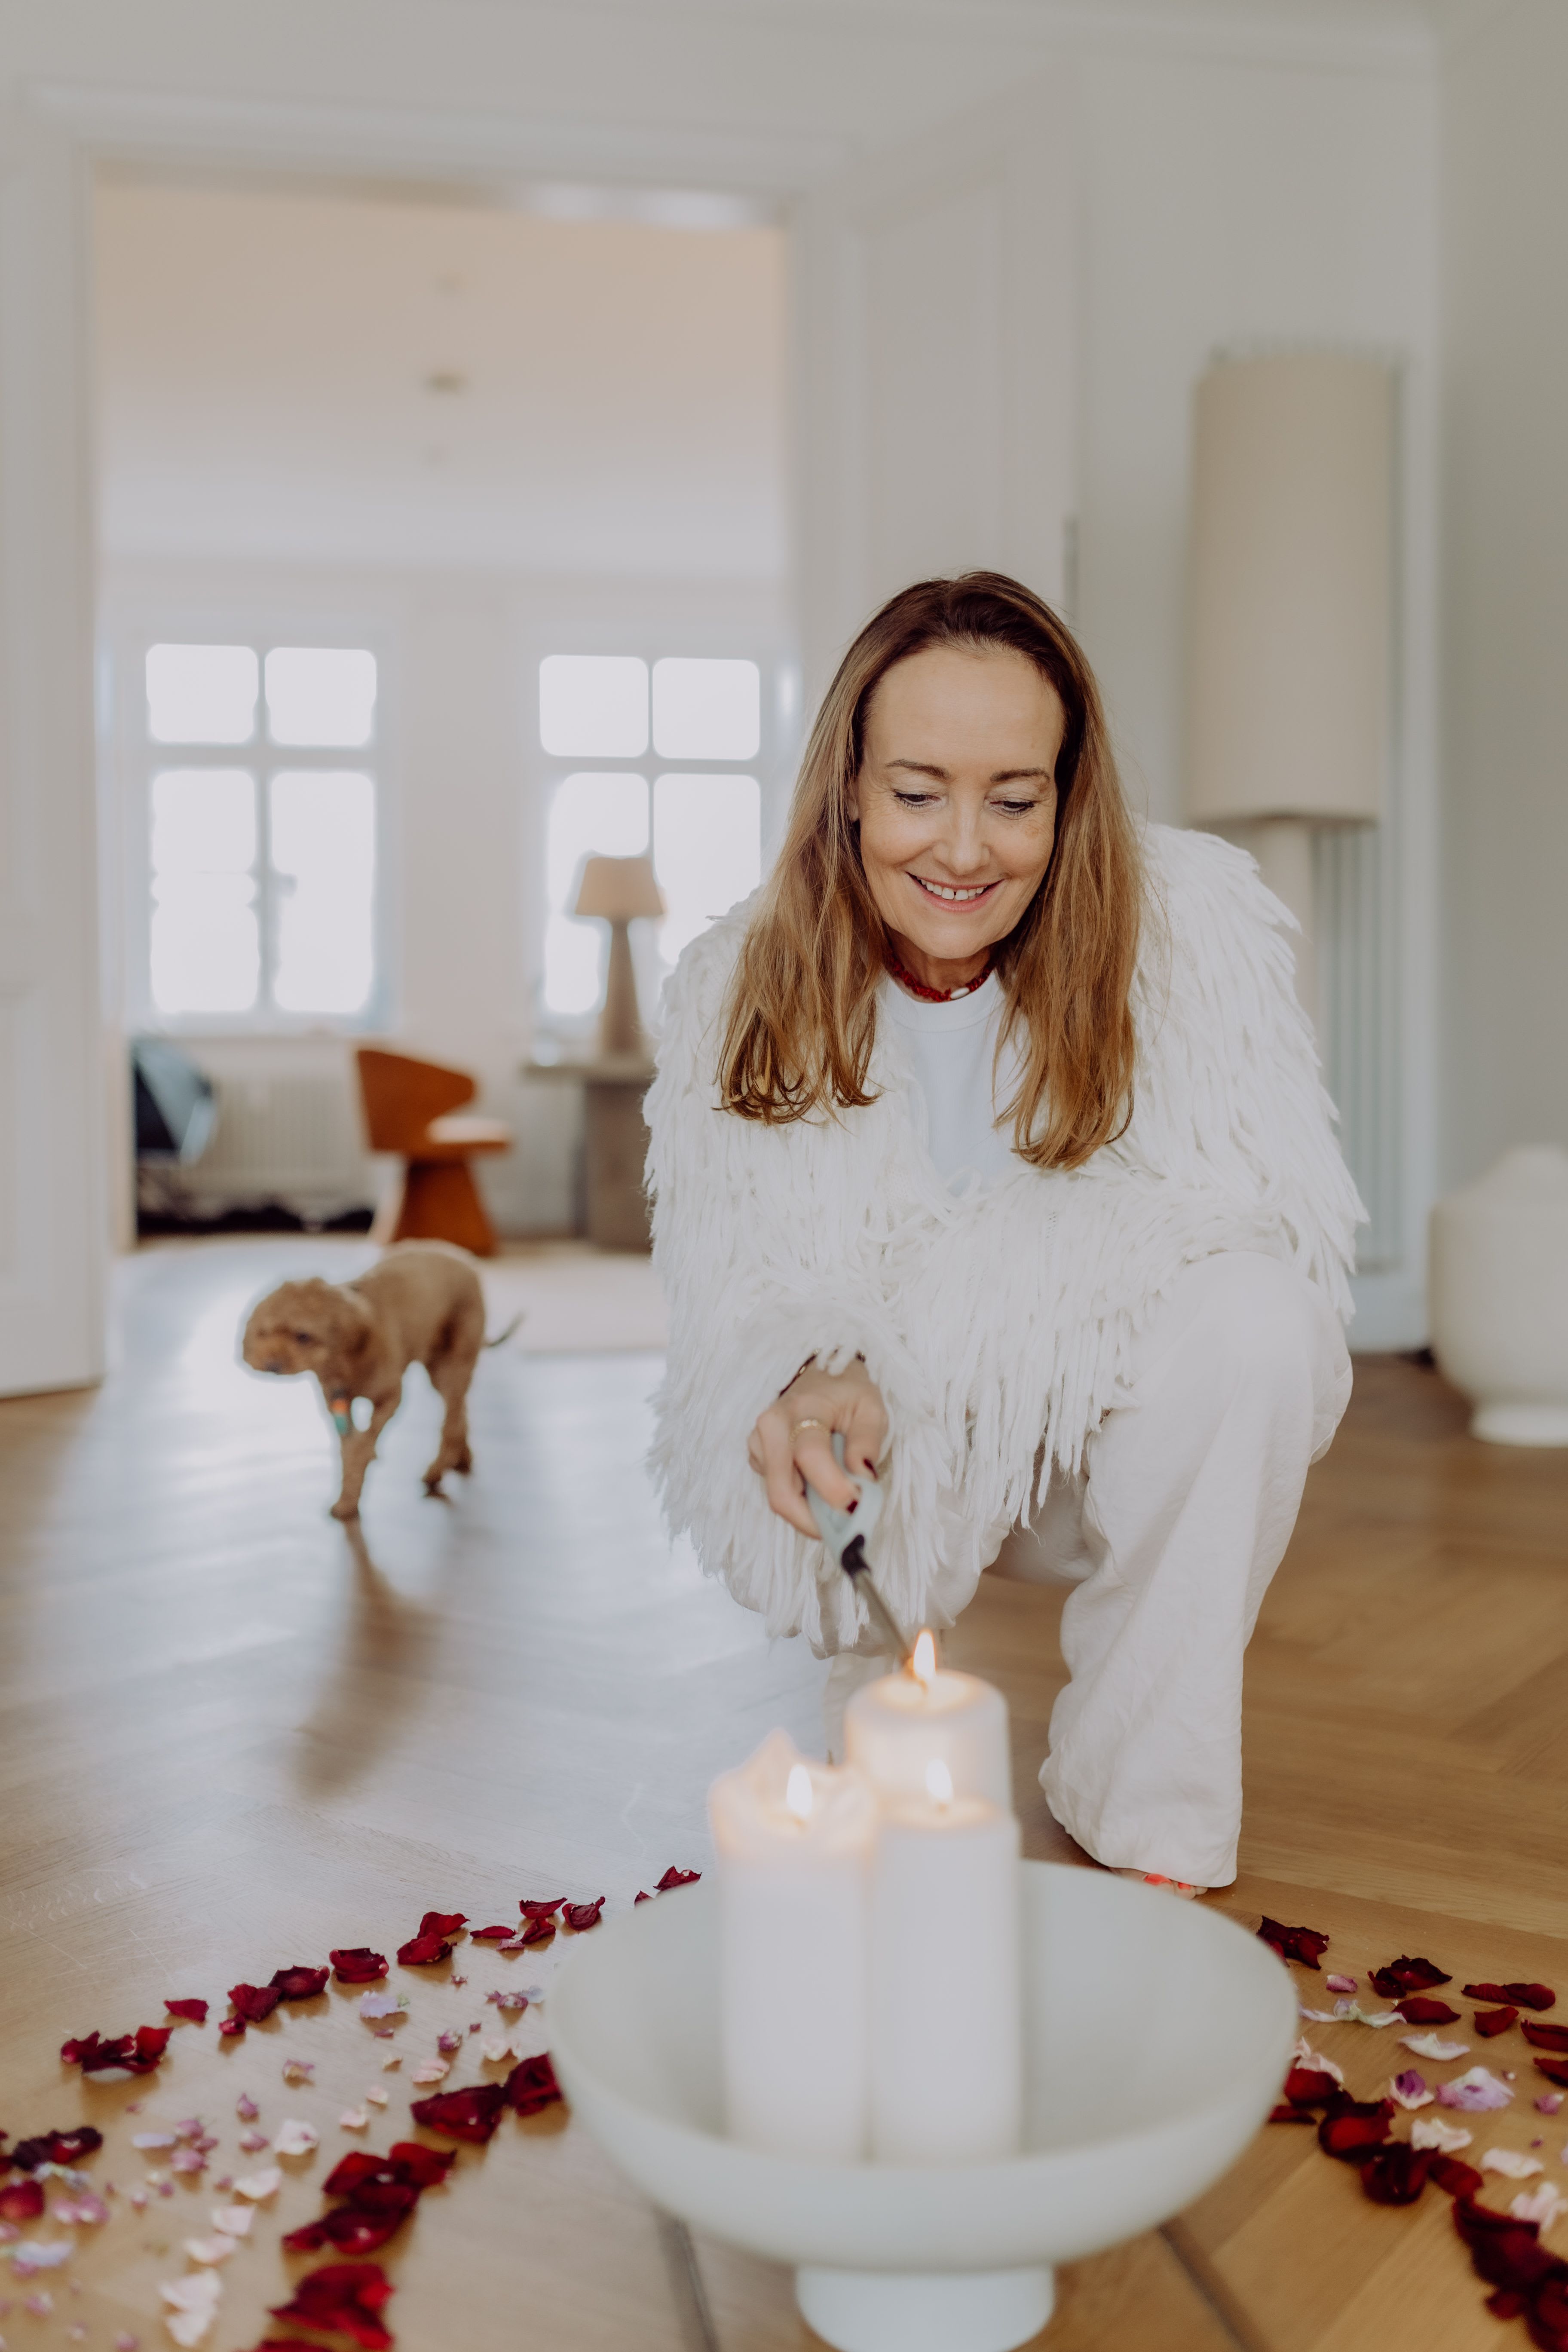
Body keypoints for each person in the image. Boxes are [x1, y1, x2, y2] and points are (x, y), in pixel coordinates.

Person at [645, 573, 1357, 1896]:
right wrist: (813, 1369)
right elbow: (745, 1284)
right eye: (918, 793)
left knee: (1261, 1317)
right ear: (848, 789)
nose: (965, 849)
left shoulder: (1186, 943)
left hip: (1106, 1430)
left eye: (1015, 800)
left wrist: (962, 1314)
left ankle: (1145, 1803)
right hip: (904, 1452)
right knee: (819, 1417)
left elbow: (1245, 1221)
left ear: (1069, 796)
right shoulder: (738, 989)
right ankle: (878, 1686)